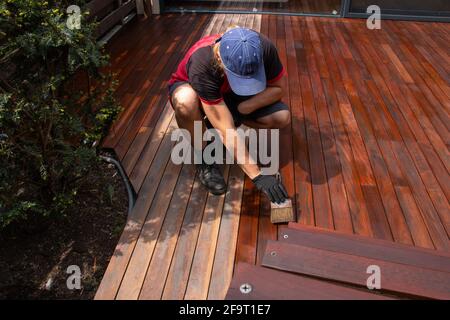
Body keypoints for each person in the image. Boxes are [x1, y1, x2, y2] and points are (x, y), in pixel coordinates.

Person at [168, 26, 290, 204]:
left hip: (233, 97)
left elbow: (278, 89)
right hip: (197, 91)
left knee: (282, 117)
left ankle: (227, 117)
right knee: (185, 102)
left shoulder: (264, 47)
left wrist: (243, 108)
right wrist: (257, 175)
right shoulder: (202, 63)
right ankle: (204, 159)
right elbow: (227, 132)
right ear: (220, 59)